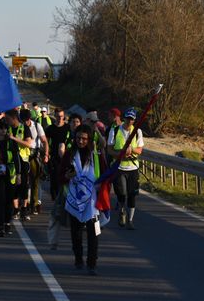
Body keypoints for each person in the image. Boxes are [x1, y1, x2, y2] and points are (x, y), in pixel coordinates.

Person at [60, 125, 105, 275]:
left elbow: (105, 173)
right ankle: (78, 258)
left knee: (94, 232)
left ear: (89, 139)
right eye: (78, 138)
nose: (80, 141)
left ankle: (92, 263)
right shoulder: (70, 154)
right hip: (74, 198)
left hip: (92, 200)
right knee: (76, 232)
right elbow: (60, 175)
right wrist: (67, 176)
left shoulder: (96, 155)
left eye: (84, 139)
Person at [107, 107, 144, 229]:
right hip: (120, 167)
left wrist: (131, 149)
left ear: (134, 120)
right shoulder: (115, 130)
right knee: (122, 193)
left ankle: (131, 219)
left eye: (132, 119)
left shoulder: (137, 132)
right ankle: (122, 210)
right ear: (124, 118)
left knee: (132, 194)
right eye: (128, 118)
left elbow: (139, 150)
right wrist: (121, 153)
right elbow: (110, 149)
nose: (129, 121)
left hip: (132, 167)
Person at [5, 109, 33, 221]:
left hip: (23, 160)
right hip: (11, 160)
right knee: (13, 184)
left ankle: (24, 209)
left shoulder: (24, 128)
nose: (6, 121)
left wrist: (14, 138)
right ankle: (15, 209)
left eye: (8, 119)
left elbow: (29, 144)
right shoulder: (8, 129)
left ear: (14, 118)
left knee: (24, 184)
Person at [44, 108, 70, 200]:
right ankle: (55, 199)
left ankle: (64, 198)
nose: (60, 118)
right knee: (54, 179)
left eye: (61, 116)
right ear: (54, 116)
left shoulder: (68, 127)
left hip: (66, 157)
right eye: (58, 116)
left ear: (64, 116)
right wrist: (46, 154)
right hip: (54, 157)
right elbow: (45, 142)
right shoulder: (50, 129)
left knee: (65, 178)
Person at [27, 110, 49, 215]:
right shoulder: (21, 126)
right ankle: (25, 203)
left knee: (35, 181)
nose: (25, 121)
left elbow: (44, 141)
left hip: (35, 155)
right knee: (24, 181)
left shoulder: (36, 125)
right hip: (23, 156)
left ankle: (35, 204)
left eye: (27, 118)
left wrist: (46, 155)